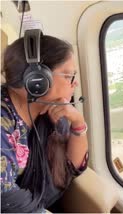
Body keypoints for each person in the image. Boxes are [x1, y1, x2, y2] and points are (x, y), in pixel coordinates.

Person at [1, 31, 89, 212]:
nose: (75, 84)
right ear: (37, 80)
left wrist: (78, 123)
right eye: (68, 76)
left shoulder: (48, 112)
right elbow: (6, 201)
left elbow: (72, 168)